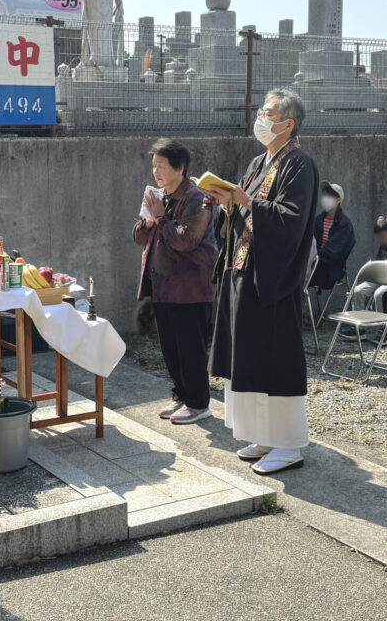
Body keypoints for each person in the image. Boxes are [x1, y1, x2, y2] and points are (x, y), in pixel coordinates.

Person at [208, 88, 318, 475]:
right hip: (245, 273)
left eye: (269, 113)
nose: (261, 117)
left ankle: (289, 444)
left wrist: (246, 202)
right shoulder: (259, 162)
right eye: (261, 110)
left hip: (274, 280)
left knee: (277, 359)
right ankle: (265, 436)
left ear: (287, 123)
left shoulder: (299, 165)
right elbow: (242, 217)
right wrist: (228, 204)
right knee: (250, 357)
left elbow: (290, 220)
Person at [133, 139, 218, 425]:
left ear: (179, 167)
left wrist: (160, 219)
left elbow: (186, 239)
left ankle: (198, 403)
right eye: (153, 165)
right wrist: (147, 223)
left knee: (191, 347)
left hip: (190, 287)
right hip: (163, 285)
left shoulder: (198, 197)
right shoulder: (160, 196)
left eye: (162, 166)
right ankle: (181, 396)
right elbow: (140, 237)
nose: (156, 171)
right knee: (170, 347)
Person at [310, 181, 354, 293]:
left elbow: (333, 253)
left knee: (296, 275)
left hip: (331, 268)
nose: (325, 199)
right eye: (324, 195)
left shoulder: (344, 224)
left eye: (329, 196)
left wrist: (311, 258)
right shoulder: (318, 221)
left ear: (338, 200)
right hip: (314, 263)